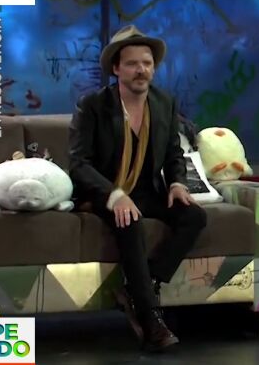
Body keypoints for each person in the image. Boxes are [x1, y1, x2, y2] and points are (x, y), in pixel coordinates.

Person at [68, 25, 207, 352]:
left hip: (145, 191)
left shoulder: (164, 103)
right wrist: (114, 196)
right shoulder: (92, 105)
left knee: (194, 217)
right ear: (116, 69)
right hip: (103, 192)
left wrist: (177, 182)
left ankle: (142, 285)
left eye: (146, 63)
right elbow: (78, 163)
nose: (141, 69)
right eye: (132, 64)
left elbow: (173, 152)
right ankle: (150, 320)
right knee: (129, 221)